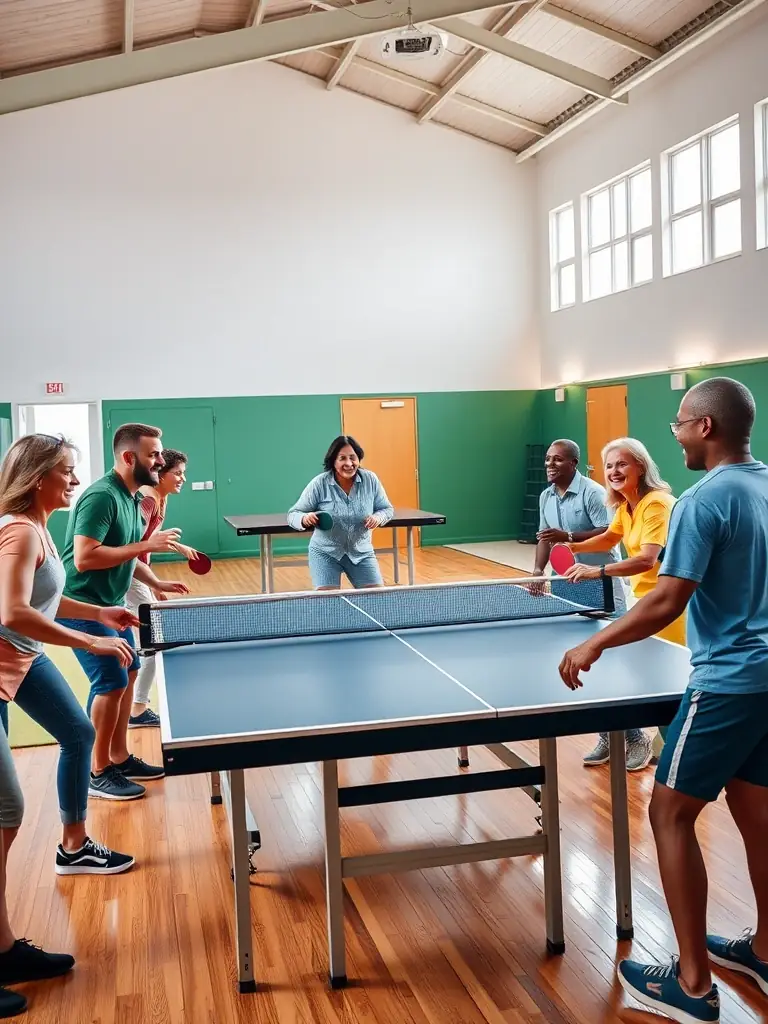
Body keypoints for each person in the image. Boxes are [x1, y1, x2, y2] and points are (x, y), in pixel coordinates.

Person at [559, 377, 768, 1024]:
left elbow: (668, 598)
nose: (674, 434)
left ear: (705, 426)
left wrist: (595, 643)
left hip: (727, 680)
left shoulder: (702, 500)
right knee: (757, 813)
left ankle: (692, 983)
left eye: (679, 423)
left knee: (670, 812)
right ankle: (765, 950)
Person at [0, 434, 142, 1016]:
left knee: (79, 734)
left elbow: (44, 601)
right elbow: (12, 610)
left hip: (21, 658)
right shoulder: (17, 531)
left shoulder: (37, 528)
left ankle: (74, 847)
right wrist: (89, 641)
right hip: (4, 655)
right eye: (67, 472)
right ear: (39, 479)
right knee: (6, 811)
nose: (76, 482)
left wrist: (99, 612)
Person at [57, 424, 188, 801]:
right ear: (129, 458)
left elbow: (127, 554)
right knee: (111, 682)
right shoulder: (102, 496)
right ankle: (98, 772)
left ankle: (118, 756)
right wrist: (146, 545)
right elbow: (84, 558)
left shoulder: (130, 498)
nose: (160, 461)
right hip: (82, 604)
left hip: (111, 606)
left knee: (129, 672)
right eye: (153, 455)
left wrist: (156, 581)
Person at [565, 438, 686, 770]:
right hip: (643, 598)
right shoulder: (626, 505)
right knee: (636, 672)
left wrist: (598, 570)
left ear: (640, 467)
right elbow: (609, 538)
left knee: (664, 681)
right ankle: (629, 738)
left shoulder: (656, 504)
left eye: (622, 464)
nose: (614, 471)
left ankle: (668, 750)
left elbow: (647, 559)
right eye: (609, 465)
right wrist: (571, 547)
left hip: (669, 602)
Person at [534, 439, 642, 769]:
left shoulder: (593, 493)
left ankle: (636, 736)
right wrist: (538, 571)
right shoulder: (545, 496)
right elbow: (545, 538)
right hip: (568, 587)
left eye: (558, 459)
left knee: (616, 661)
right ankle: (607, 735)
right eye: (548, 459)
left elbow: (609, 532)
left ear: (574, 463)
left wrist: (567, 536)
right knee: (585, 660)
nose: (550, 464)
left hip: (602, 584)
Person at [126, 449, 197, 728]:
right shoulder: (147, 500)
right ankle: (137, 709)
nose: (182, 478)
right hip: (129, 573)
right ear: (161, 474)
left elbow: (147, 541)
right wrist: (151, 582)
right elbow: (132, 545)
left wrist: (177, 547)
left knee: (143, 638)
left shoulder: (160, 497)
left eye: (183, 473)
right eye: (177, 473)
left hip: (137, 572)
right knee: (153, 641)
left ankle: (132, 702)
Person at [288, 435, 394, 590]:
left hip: (361, 553)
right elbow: (293, 514)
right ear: (333, 461)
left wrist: (378, 517)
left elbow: (387, 509)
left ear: (358, 459)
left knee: (376, 598)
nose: (349, 463)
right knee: (328, 600)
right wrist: (304, 518)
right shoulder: (319, 483)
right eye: (342, 458)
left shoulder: (370, 480)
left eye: (353, 458)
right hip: (325, 554)